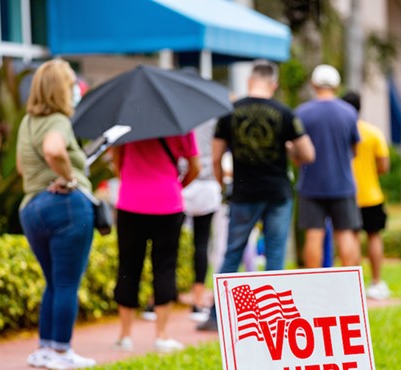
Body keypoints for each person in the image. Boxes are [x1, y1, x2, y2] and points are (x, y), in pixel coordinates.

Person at [198, 59, 315, 331]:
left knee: (232, 254)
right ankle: (276, 320)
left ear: (250, 81)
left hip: (243, 193)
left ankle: (217, 315)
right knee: (274, 254)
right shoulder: (285, 113)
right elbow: (308, 154)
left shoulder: (229, 112)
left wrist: (222, 184)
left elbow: (215, 158)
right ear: (273, 84)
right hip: (277, 193)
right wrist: (288, 150)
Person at [17, 59, 96, 369]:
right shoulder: (58, 122)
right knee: (66, 284)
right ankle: (62, 352)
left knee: (53, 282)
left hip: (32, 207)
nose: (76, 90)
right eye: (71, 84)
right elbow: (53, 150)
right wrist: (70, 179)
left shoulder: (27, 122)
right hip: (65, 206)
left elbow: (24, 166)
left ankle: (46, 349)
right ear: (60, 90)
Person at [110, 130, 200, 352]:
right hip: (168, 203)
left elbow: (116, 162)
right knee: (165, 267)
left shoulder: (126, 124)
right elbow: (195, 166)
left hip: (130, 202)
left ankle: (124, 335)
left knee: (128, 266)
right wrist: (176, 185)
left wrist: (133, 181)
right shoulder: (180, 124)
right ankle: (162, 335)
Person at [295, 64, 362, 269]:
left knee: (314, 235)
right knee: (345, 233)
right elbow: (355, 149)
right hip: (342, 183)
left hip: (310, 185)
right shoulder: (349, 113)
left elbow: (297, 152)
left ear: (314, 84)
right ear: (337, 85)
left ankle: (315, 289)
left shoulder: (301, 113)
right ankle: (350, 286)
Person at [342, 91, 391, 300]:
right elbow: (384, 166)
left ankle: (353, 285)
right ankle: (376, 282)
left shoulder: (341, 133)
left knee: (350, 237)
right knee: (374, 236)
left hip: (346, 194)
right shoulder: (373, 132)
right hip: (371, 194)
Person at [181, 119, 222, 322]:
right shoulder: (212, 117)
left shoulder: (175, 114)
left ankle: (157, 299)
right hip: (206, 181)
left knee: (168, 244)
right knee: (202, 242)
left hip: (180, 180)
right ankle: (197, 299)